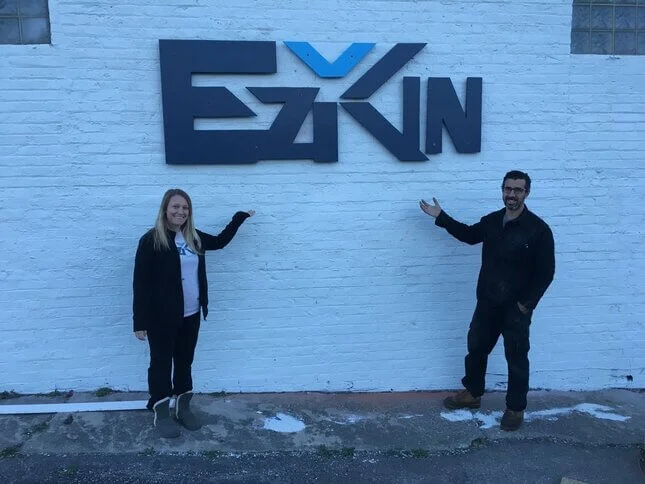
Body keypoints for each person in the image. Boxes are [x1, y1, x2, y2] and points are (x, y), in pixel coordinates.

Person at [419, 170, 555, 431]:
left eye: (517, 190)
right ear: (502, 190)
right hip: (488, 303)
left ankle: (515, 409)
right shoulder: (492, 221)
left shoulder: (538, 230)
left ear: (527, 193)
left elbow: (546, 273)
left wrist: (525, 304)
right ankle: (472, 394)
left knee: (516, 358)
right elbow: (469, 235)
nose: (512, 194)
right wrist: (441, 217)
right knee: (476, 349)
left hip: (516, 309)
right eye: (508, 189)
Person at [133, 188, 254, 438]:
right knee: (161, 364)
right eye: (175, 206)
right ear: (165, 209)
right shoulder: (151, 240)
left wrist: (238, 218)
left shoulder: (194, 237)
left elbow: (219, 242)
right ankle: (161, 413)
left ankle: (183, 408)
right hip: (161, 318)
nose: (181, 212)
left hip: (191, 314)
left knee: (185, 362)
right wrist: (140, 321)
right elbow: (141, 283)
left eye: (185, 208)